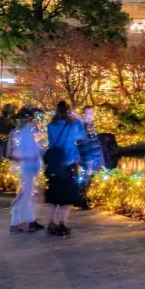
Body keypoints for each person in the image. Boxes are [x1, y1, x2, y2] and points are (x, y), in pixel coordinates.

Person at [43, 101, 86, 236]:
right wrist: (77, 118)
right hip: (69, 164)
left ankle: (50, 223)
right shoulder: (73, 125)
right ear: (68, 111)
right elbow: (82, 135)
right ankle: (62, 224)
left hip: (54, 164)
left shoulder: (50, 126)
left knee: (53, 197)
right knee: (65, 198)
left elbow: (50, 143)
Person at [6, 108, 44, 234]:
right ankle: (14, 223)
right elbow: (31, 150)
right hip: (26, 167)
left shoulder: (20, 132)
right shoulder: (25, 132)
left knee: (28, 196)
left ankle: (30, 220)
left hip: (25, 167)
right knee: (24, 196)